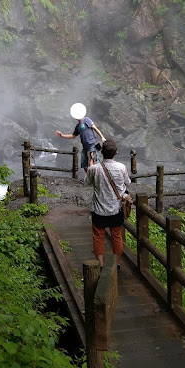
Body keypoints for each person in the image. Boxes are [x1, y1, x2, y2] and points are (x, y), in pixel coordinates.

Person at [84, 139, 130, 268]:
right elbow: (128, 182)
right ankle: (116, 264)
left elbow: (86, 183)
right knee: (117, 236)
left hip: (99, 210)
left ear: (102, 152)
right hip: (116, 210)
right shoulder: (121, 167)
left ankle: (101, 264)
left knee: (98, 237)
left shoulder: (94, 168)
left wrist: (90, 165)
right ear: (116, 153)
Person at [55, 103, 106, 173]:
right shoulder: (78, 126)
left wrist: (102, 137)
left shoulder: (86, 120)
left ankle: (95, 179)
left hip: (92, 145)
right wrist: (62, 135)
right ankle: (89, 178)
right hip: (85, 147)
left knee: (94, 163)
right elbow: (73, 135)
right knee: (84, 164)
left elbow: (95, 128)